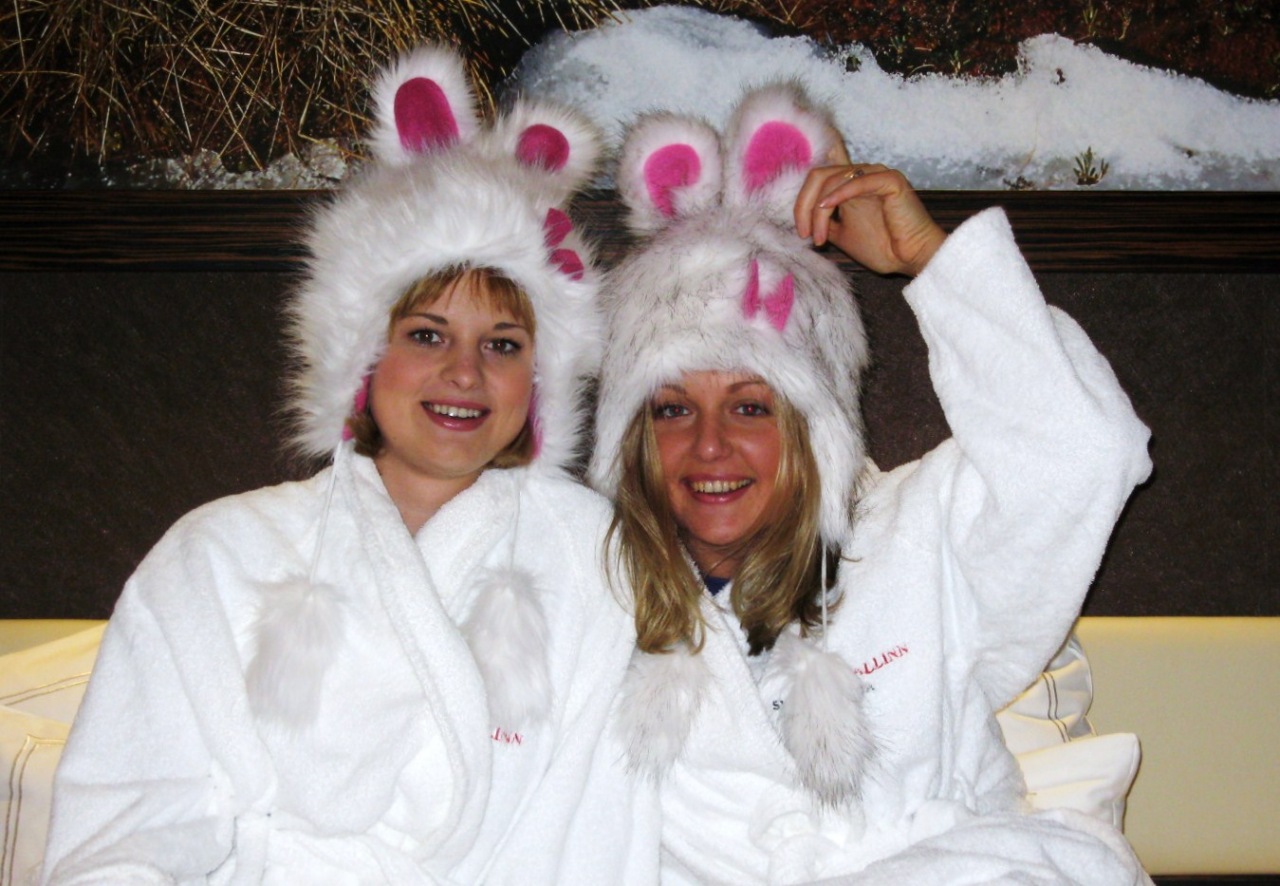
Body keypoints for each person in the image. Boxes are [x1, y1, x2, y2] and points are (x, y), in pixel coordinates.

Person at [41, 46, 656, 884]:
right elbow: (131, 823)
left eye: (503, 345)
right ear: (360, 358)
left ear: (540, 383)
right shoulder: (219, 555)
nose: (464, 374)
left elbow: (597, 834)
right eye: (427, 335)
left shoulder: (593, 560)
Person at [590, 85, 1154, 883]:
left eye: (751, 406)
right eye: (673, 408)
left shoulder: (921, 537)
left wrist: (929, 261)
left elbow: (1083, 454)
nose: (709, 446)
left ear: (813, 427)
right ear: (633, 436)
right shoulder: (594, 593)